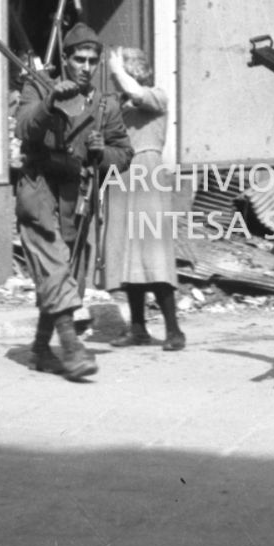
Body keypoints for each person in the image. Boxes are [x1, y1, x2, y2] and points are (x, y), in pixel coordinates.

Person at [13, 20, 132, 381]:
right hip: (40, 189)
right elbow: (23, 126)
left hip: (78, 196)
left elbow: (124, 152)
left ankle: (38, 349)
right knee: (53, 266)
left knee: (70, 276)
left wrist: (101, 153)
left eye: (92, 61)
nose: (86, 67)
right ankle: (71, 348)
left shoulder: (105, 104)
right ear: (65, 59)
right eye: (79, 59)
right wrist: (50, 103)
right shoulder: (38, 87)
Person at [100, 45, 183, 350]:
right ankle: (138, 328)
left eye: (118, 74)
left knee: (153, 254)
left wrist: (117, 70)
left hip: (147, 175)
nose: (113, 80)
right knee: (128, 257)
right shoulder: (117, 109)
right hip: (122, 177)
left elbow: (137, 94)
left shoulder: (157, 97)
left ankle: (174, 330)